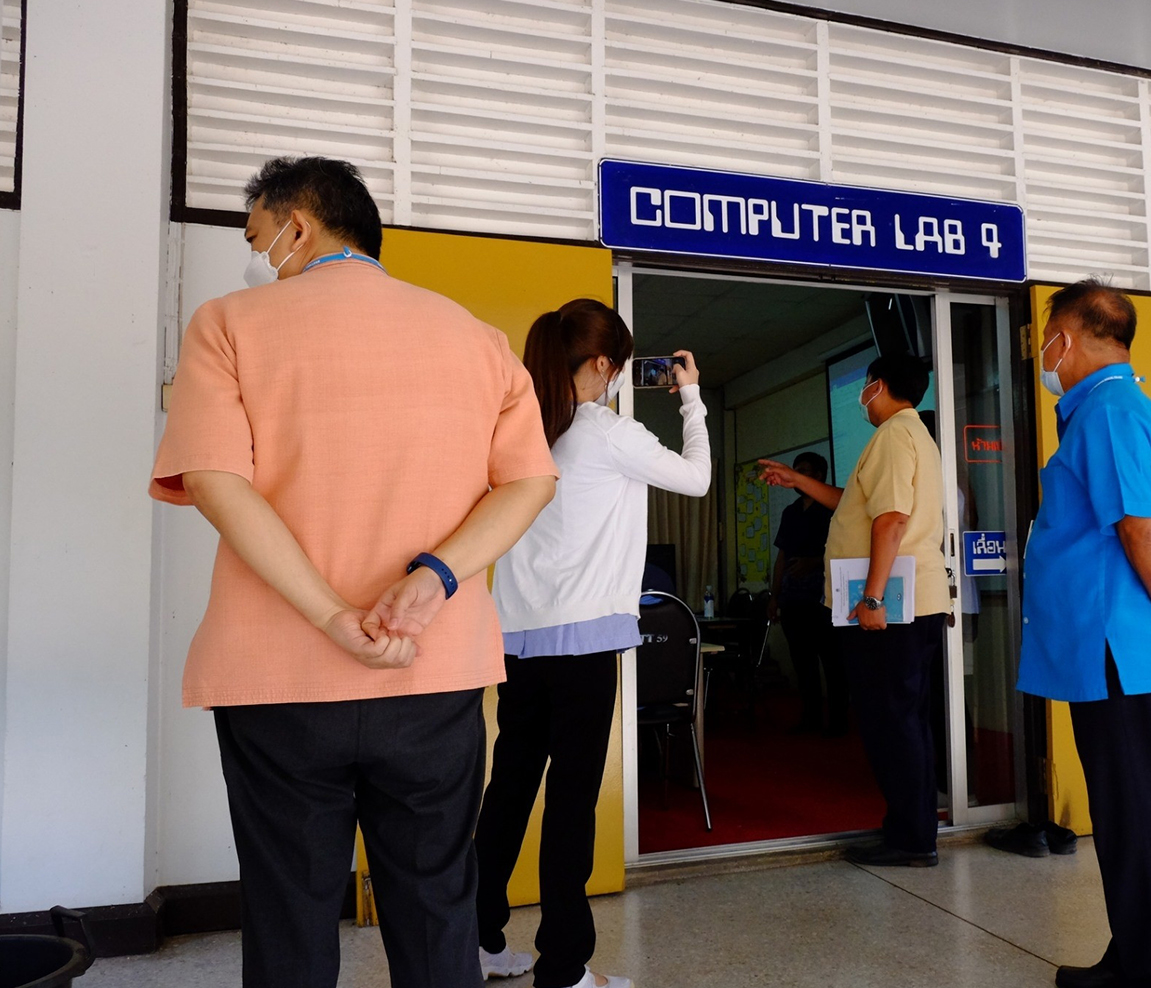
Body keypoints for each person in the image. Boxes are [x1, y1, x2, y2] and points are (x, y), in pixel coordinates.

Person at [149, 156, 558, 988]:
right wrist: (435, 577)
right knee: (439, 903)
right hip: (433, 671)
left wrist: (335, 617)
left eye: (262, 239)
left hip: (278, 682)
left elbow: (215, 482)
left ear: (300, 226)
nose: (263, 260)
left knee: (290, 911)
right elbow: (531, 481)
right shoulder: (475, 339)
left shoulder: (229, 325)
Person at [479, 301, 710, 988]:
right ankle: (563, 968)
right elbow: (696, 478)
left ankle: (478, 940)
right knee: (571, 803)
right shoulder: (608, 432)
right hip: (581, 648)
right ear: (605, 365)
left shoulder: (521, 429)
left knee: (510, 789)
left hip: (518, 641)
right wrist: (691, 396)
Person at [1018, 279, 1151, 988]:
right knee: (1129, 812)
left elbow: (1141, 527)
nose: (1042, 354)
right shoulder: (1133, 408)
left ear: (1066, 339)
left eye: (1045, 339)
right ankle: (1136, 960)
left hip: (1110, 649)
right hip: (1121, 649)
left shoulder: (1105, 410)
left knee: (1139, 818)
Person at [759, 354, 949, 868]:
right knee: (906, 719)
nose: (861, 395)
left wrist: (872, 598)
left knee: (893, 721)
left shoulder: (892, 436)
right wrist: (799, 483)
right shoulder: (913, 435)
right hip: (913, 606)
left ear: (878, 386)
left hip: (891, 610)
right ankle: (912, 829)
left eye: (864, 385)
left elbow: (889, 520)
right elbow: (855, 504)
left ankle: (911, 838)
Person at [768, 451, 847, 735]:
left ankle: (839, 721)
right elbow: (782, 555)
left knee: (833, 662)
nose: (798, 475)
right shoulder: (790, 512)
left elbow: (848, 549)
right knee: (803, 663)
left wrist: (813, 562)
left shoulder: (835, 507)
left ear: (819, 477)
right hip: (793, 598)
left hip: (826, 598)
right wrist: (774, 596)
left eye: (804, 471)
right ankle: (810, 718)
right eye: (796, 470)